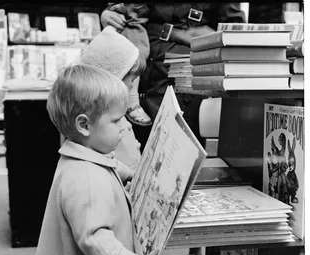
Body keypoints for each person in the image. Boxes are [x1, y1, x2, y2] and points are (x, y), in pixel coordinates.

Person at [23, 64, 164, 255]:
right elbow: (95, 237)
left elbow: (112, 166)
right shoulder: (86, 179)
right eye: (116, 120)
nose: (125, 126)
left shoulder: (85, 155)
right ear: (85, 125)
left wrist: (132, 174)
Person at [101, 3, 246, 149]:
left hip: (185, 78)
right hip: (140, 74)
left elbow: (235, 30)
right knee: (136, 147)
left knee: (181, 149)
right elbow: (129, 10)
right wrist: (109, 15)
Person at [80, 25, 145, 175]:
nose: (132, 85)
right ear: (115, 79)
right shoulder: (105, 124)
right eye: (132, 79)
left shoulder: (108, 115)